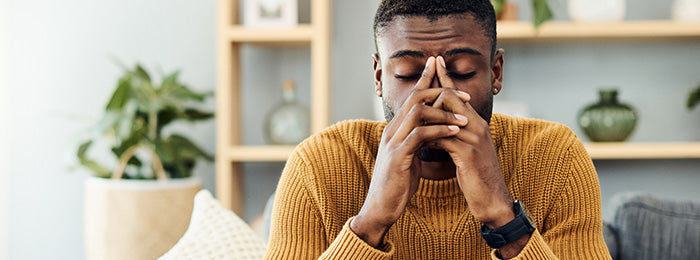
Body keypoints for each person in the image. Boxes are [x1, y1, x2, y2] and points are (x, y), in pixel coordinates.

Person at [264, 0, 611, 259]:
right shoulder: (318, 164)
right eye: (407, 74)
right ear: (379, 77)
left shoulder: (555, 156)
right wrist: (371, 222)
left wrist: (503, 217)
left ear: (496, 72)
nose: (436, 95)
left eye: (460, 71)